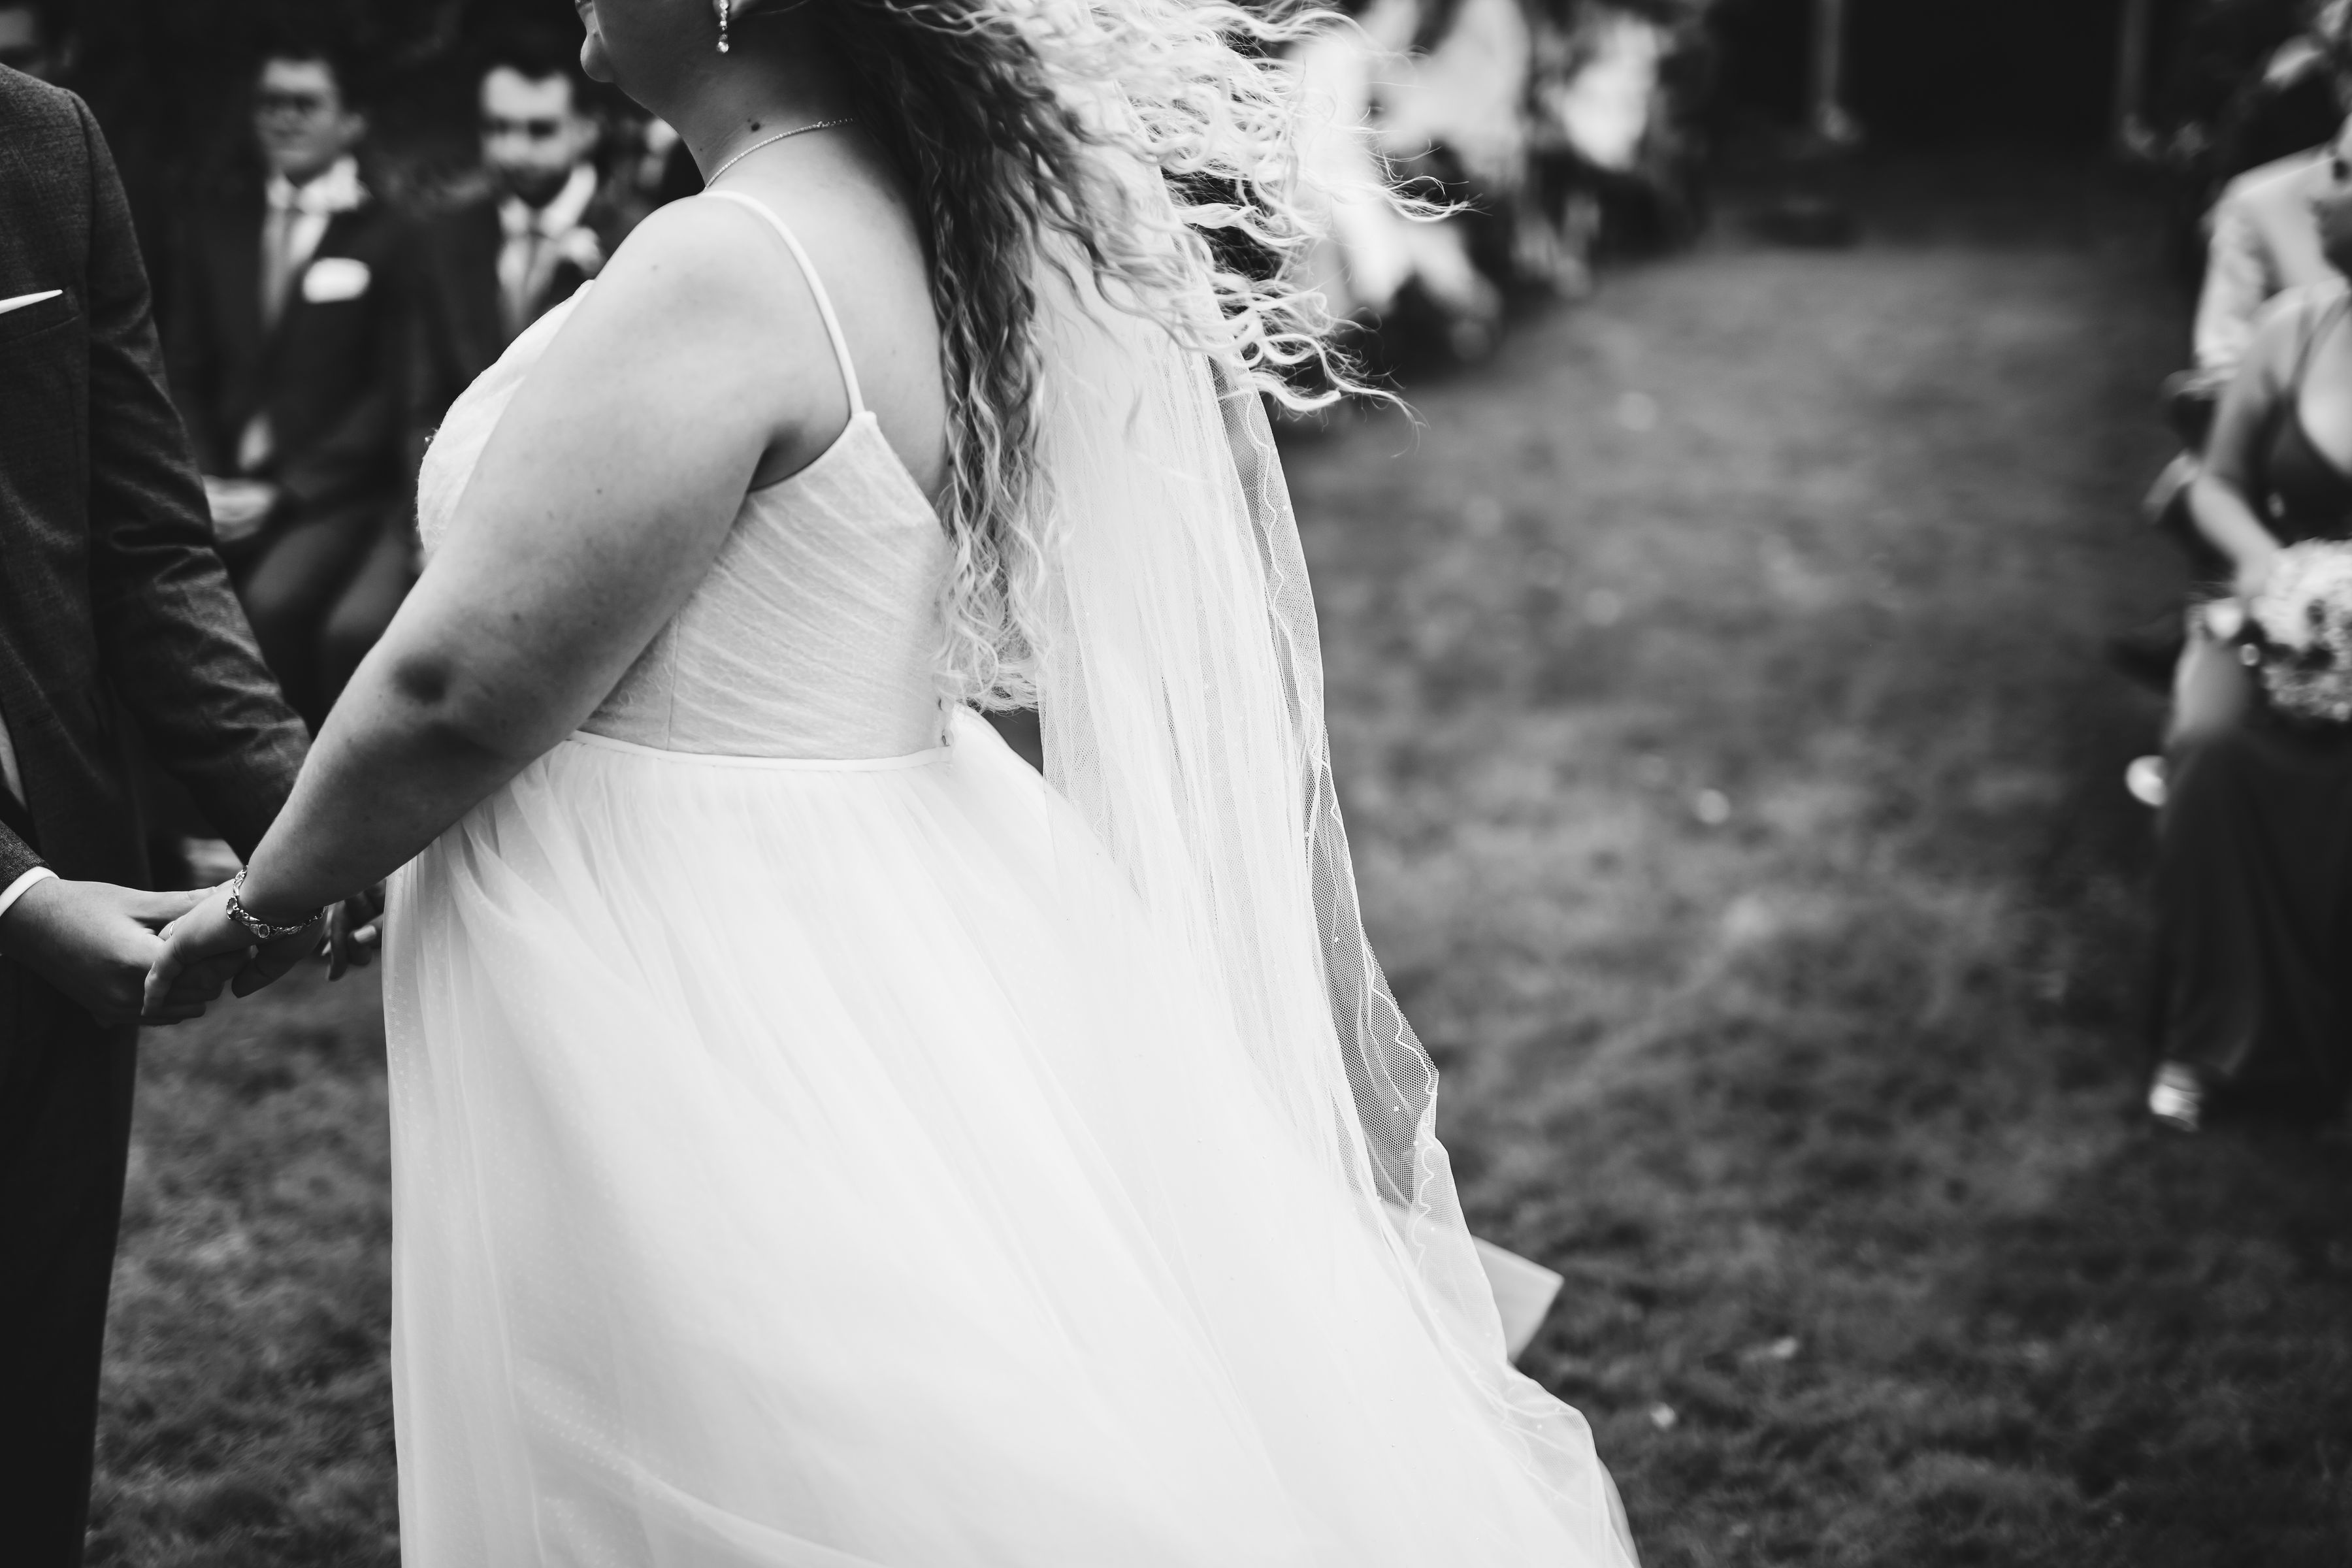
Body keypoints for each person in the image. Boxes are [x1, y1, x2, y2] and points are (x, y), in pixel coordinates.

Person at [147, 0, 1641, 1560]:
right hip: (858, 876)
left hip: (681, 963)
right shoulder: (903, 214)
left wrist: (263, 902)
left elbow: (463, 685)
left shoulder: (737, 261)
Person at [0, 63, 317, 1568]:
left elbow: (140, 536)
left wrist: (306, 816)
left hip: (74, 912)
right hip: (31, 899)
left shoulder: (47, 144)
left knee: (31, 1395)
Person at [2150, 173, 2352, 1132]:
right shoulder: (2298, 325)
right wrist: (2276, 571)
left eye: (2349, 179)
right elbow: (2213, 484)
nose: (2331, 194)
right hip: (2273, 617)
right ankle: (2211, 1040)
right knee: (2209, 748)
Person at [165, 37, 416, 729]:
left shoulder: (389, 234)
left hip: (331, 492)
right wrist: (204, 481)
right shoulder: (214, 223)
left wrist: (283, 493)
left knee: (273, 603)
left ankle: (288, 799)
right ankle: (171, 823)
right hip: (215, 482)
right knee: (145, 592)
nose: (284, 119)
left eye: (305, 103)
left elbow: (392, 390)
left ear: (352, 120)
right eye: (271, 103)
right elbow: (181, 365)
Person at [410, 33, 642, 436]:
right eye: (498, 128)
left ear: (588, 130)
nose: (513, 151)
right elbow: (420, 394)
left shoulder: (636, 241)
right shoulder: (445, 234)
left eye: (540, 130)